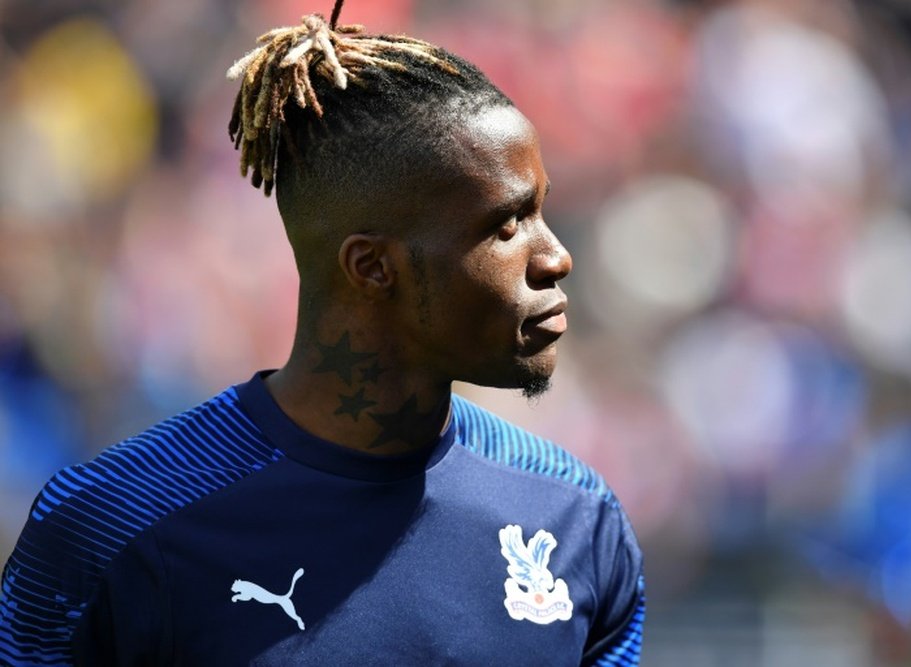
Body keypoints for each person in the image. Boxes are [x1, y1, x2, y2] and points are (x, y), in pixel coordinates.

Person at [0, 2, 645, 665]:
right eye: (508, 224)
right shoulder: (108, 527)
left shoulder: (576, 520)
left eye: (541, 211)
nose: (556, 257)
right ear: (371, 266)